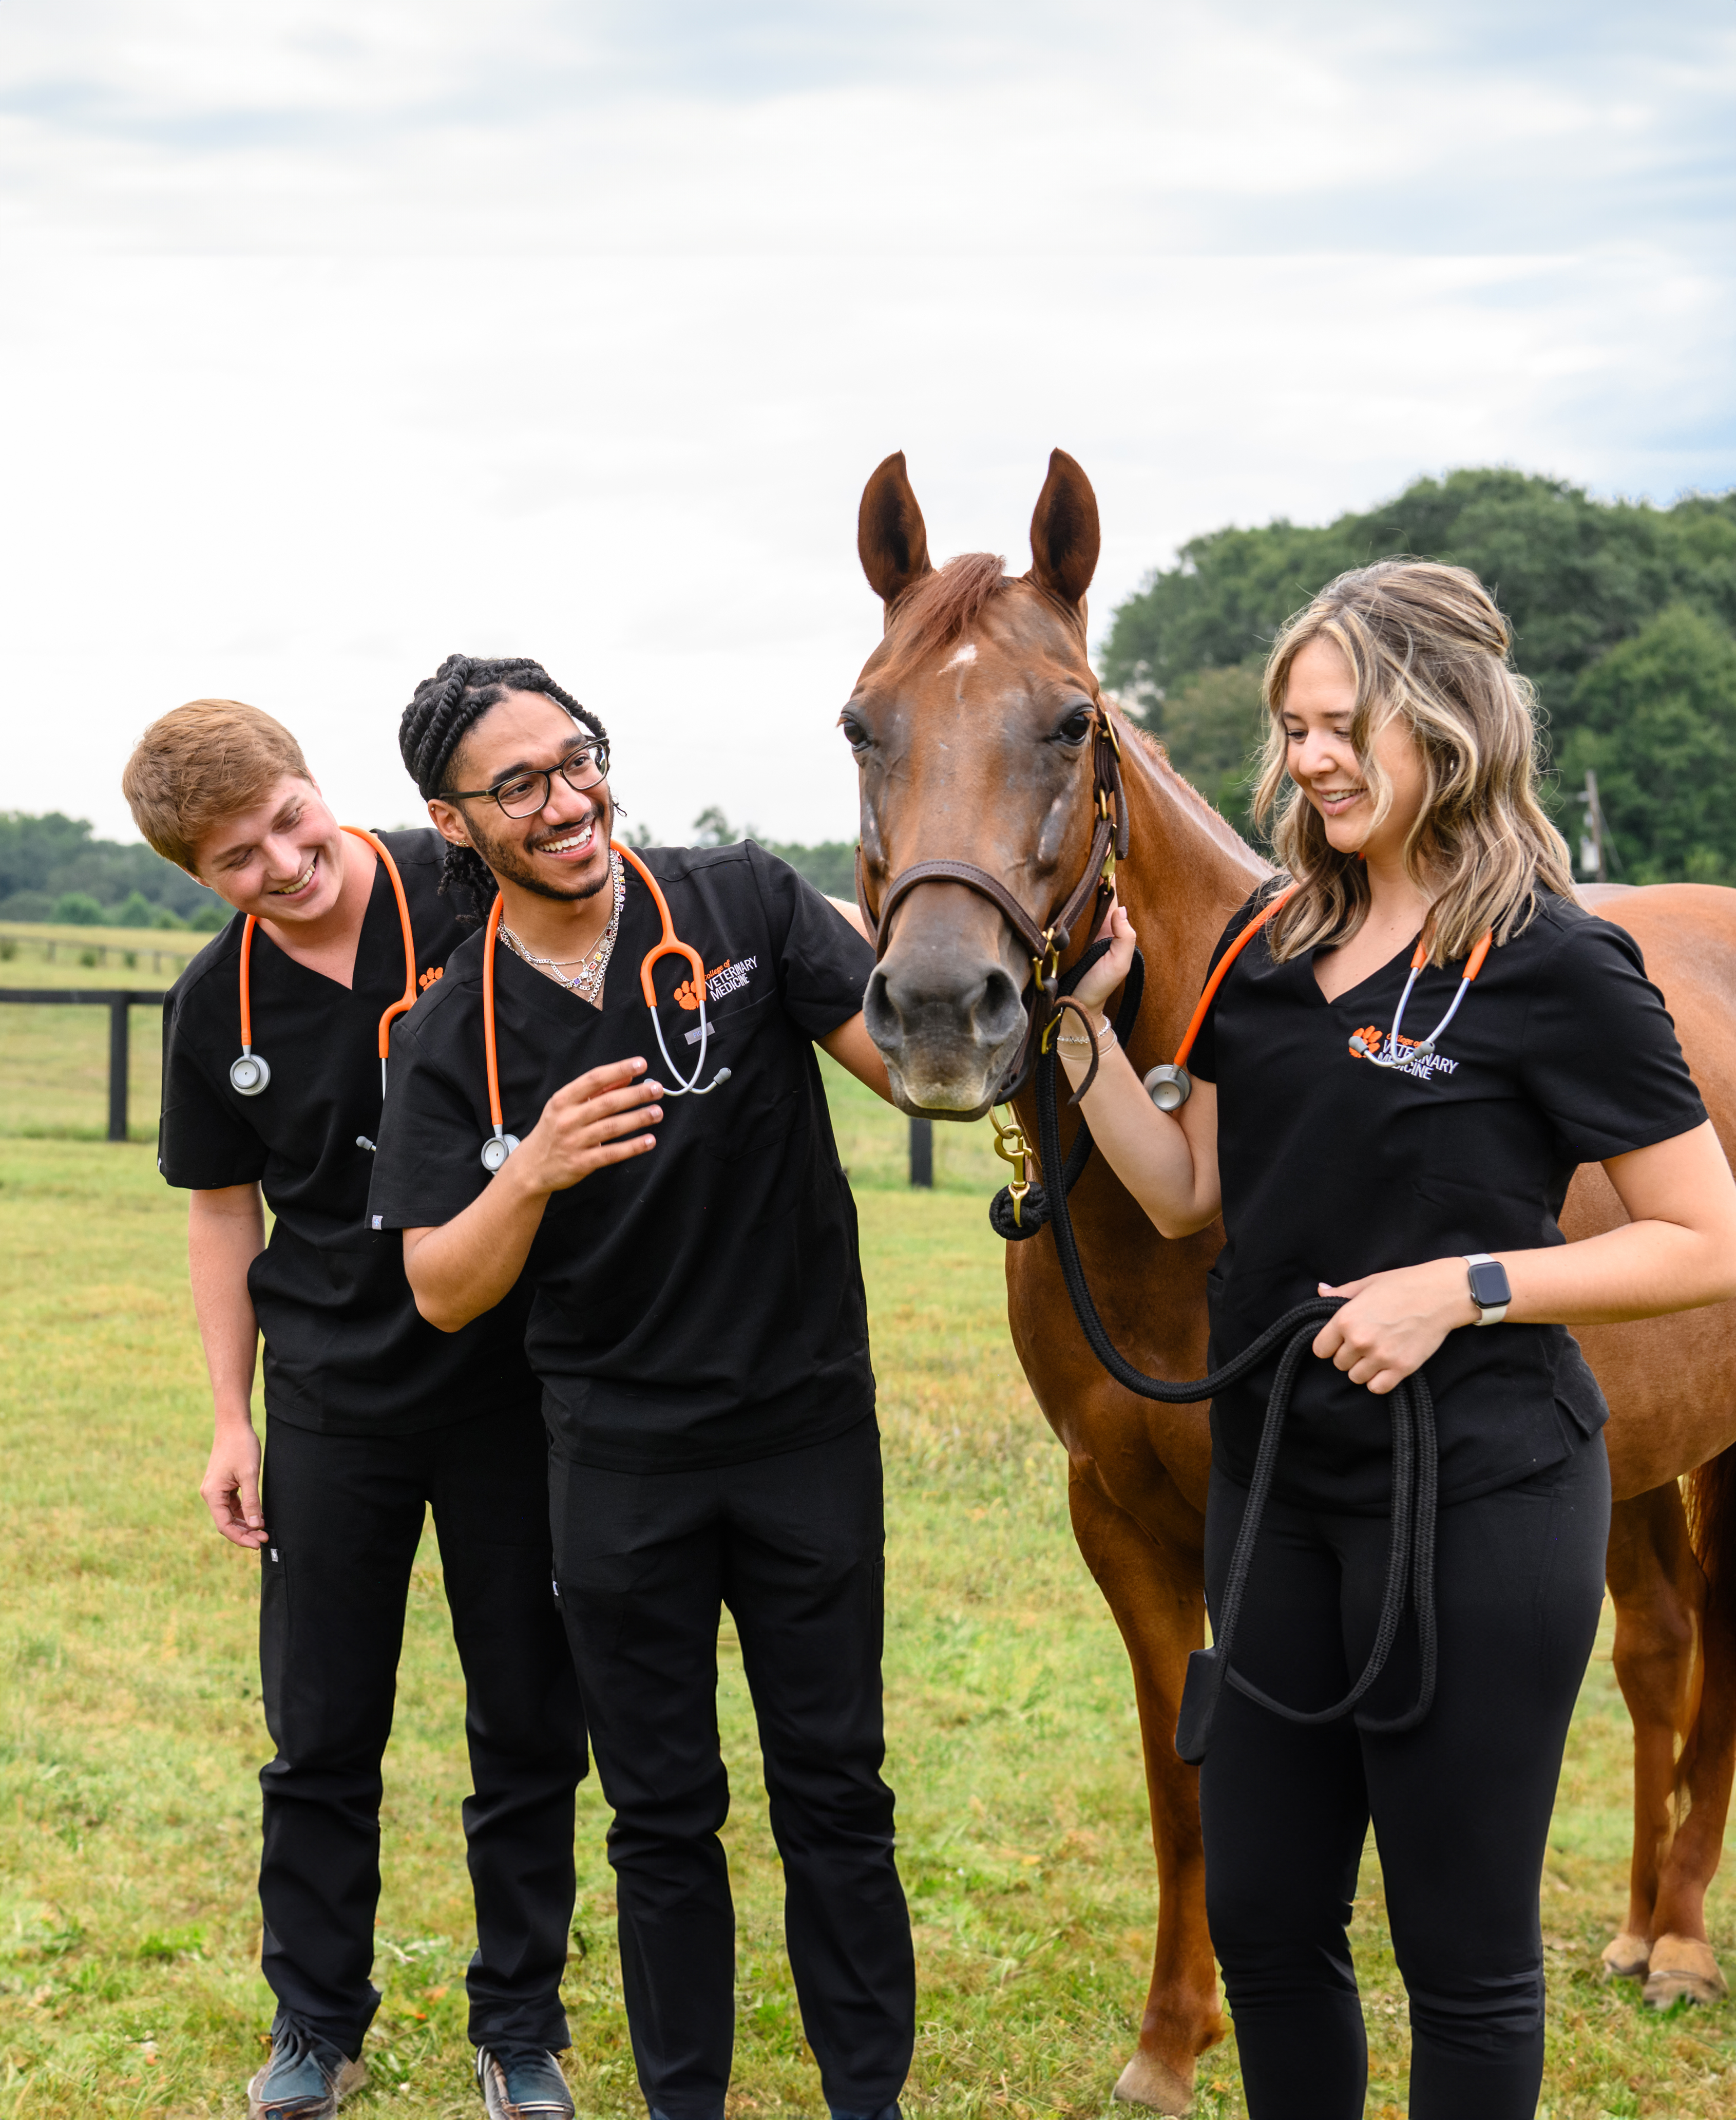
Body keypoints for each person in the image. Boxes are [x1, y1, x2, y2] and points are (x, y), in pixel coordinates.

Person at [1056, 563, 1736, 2120]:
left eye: (1346, 723)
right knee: (1270, 1919)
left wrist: (1467, 1287)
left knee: (1462, 1949)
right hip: (1281, 1494)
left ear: (1452, 721)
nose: (1310, 760)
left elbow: (1709, 1238)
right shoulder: (1271, 948)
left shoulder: (1556, 963)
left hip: (1484, 1494)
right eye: (1294, 728)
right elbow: (1185, 1197)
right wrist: (1084, 1039)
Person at [365, 654, 915, 2120]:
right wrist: (532, 1170)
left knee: (837, 1796)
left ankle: (872, 2096)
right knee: (662, 1817)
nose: (567, 801)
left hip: (804, 1427)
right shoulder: (451, 1031)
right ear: (454, 821)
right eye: (520, 786)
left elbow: (921, 1075)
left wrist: (1065, 991)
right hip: (618, 1459)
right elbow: (441, 1284)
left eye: (578, 759)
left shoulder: (738, 903)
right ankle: (688, 2103)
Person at [123, 699, 586, 2120]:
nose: (281, 862)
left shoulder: (465, 889)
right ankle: (314, 2023)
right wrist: (229, 1415)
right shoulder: (218, 1007)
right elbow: (220, 1215)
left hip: (514, 1381)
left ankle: (520, 2027)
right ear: (204, 883)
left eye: (286, 821)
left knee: (526, 1712)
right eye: (238, 861)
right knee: (320, 1729)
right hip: (335, 1398)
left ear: (316, 788)